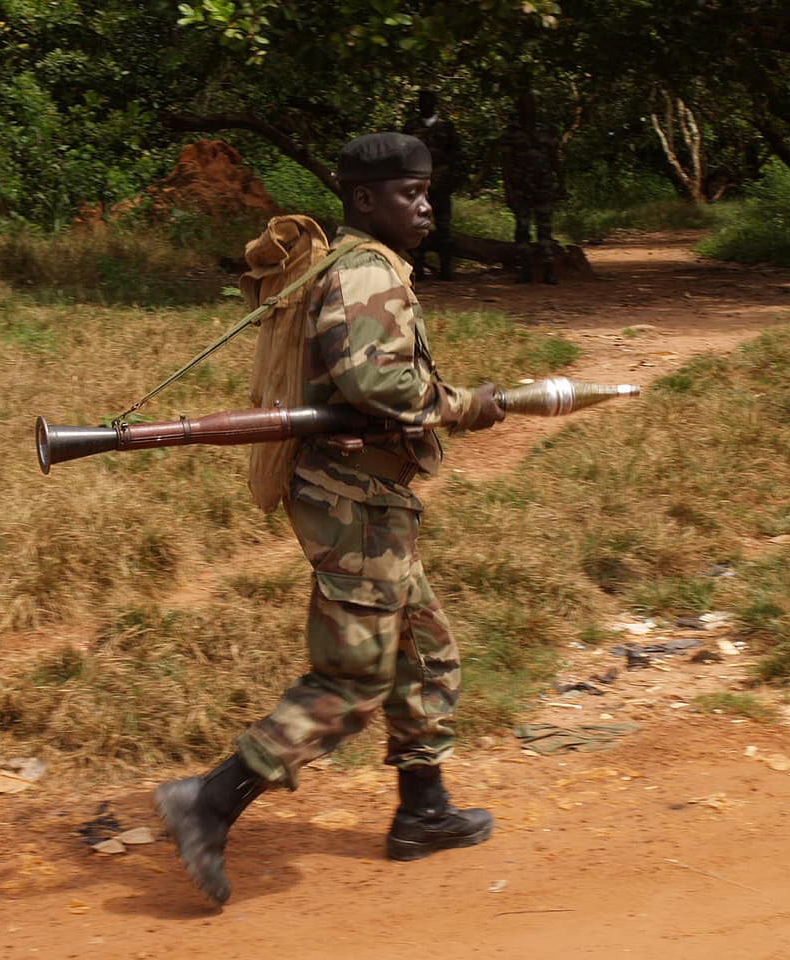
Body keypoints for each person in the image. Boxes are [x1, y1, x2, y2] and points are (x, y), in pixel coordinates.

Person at [154, 132, 506, 906]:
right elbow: (378, 382)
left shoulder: (355, 265)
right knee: (354, 676)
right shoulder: (365, 270)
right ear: (363, 200)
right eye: (410, 194)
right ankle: (208, 802)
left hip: (367, 495)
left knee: (426, 650)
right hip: (352, 502)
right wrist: (465, 407)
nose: (426, 207)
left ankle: (424, 811)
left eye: (426, 191)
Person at [402, 90, 464, 280]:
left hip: (441, 185)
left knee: (444, 226)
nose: (425, 104)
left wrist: (453, 180)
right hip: (416, 186)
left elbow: (457, 156)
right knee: (415, 224)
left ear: (435, 103)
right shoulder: (410, 127)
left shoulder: (446, 127)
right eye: (422, 101)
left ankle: (446, 268)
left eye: (429, 100)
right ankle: (418, 267)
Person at [500, 92, 561, 284]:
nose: (528, 109)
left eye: (531, 105)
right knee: (522, 230)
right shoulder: (511, 133)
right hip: (521, 188)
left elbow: (554, 158)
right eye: (523, 105)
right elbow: (506, 163)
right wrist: (508, 189)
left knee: (545, 230)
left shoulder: (546, 130)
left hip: (544, 186)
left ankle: (549, 270)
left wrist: (562, 181)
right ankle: (525, 270)